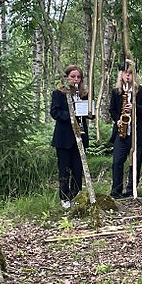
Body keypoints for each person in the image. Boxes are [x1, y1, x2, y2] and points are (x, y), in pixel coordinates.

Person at [50, 65, 90, 209]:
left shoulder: (84, 94)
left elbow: (89, 113)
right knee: (64, 169)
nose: (76, 79)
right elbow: (54, 112)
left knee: (78, 169)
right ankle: (64, 197)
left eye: (78, 77)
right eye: (73, 77)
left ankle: (76, 195)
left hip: (80, 136)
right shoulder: (58, 94)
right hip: (64, 137)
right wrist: (71, 115)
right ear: (66, 78)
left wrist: (89, 112)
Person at [109, 61, 142, 199]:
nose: (128, 76)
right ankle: (116, 190)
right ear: (121, 75)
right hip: (121, 132)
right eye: (125, 73)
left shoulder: (141, 91)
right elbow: (112, 110)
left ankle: (131, 190)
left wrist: (135, 107)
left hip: (137, 132)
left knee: (135, 162)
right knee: (117, 162)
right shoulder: (116, 92)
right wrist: (118, 120)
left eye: (130, 73)